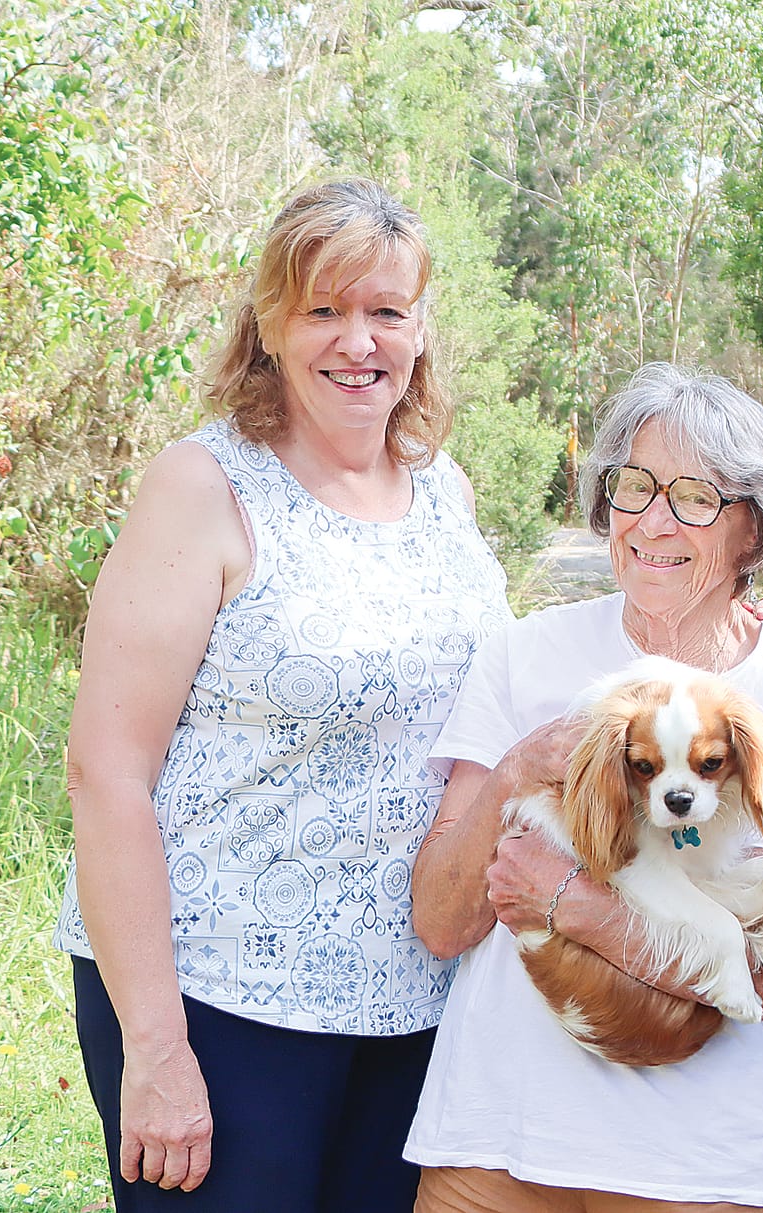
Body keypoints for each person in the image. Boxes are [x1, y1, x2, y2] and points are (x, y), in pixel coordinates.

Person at [55, 179, 513, 1211]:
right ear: (270, 323)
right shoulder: (203, 486)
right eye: (325, 310)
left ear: (420, 328)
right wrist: (156, 1044)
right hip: (216, 998)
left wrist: (739, 629)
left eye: (386, 311)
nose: (359, 341)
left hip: (410, 1002)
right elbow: (105, 771)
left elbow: (509, 696)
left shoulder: (445, 491)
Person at [406, 363, 763, 1213]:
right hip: (495, 1136)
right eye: (635, 485)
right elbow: (440, 919)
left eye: (695, 497)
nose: (653, 520)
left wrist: (566, 900)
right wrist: (519, 771)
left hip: (701, 1164)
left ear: (752, 530)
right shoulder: (524, 653)